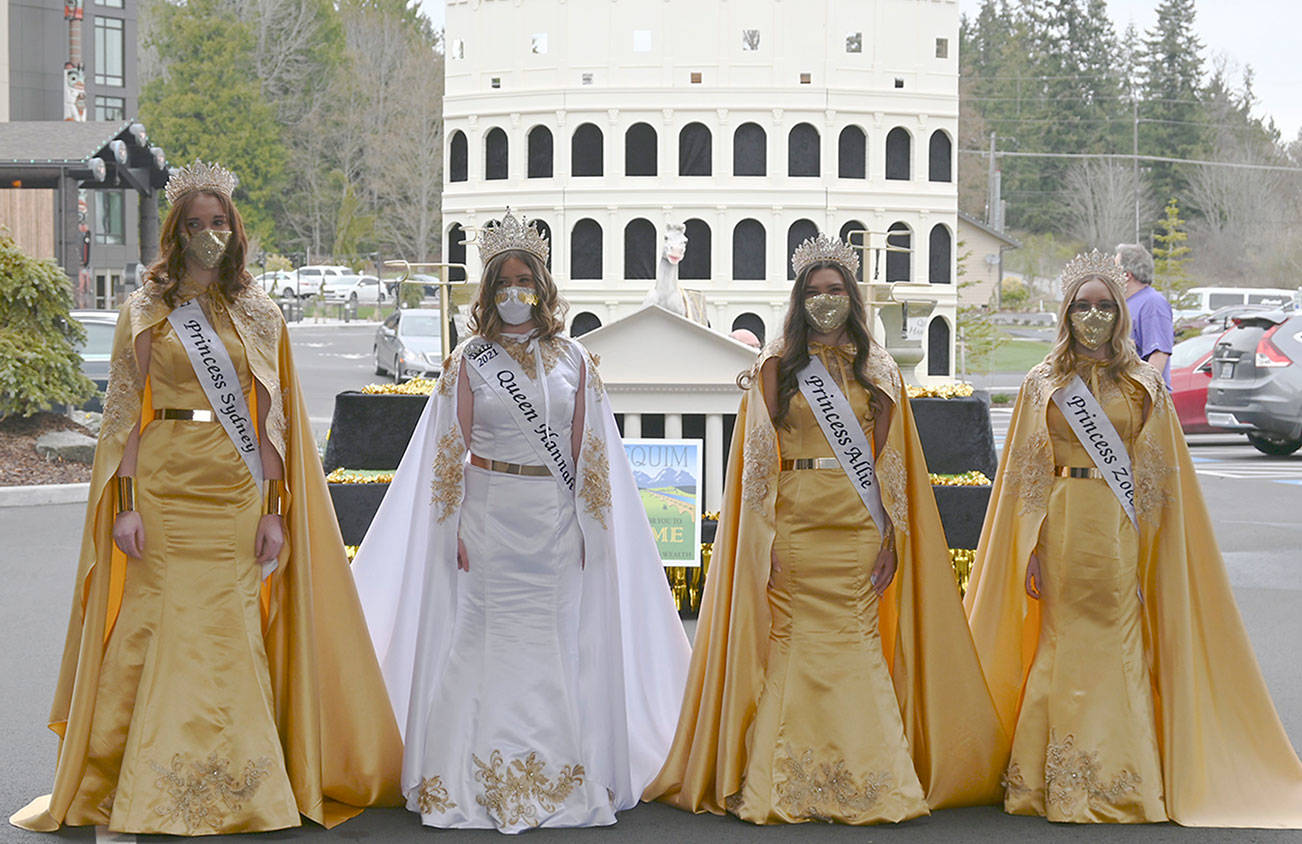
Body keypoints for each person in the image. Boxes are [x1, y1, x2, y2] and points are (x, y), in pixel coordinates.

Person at [10, 161, 403, 835]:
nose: (208, 233)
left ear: (235, 228)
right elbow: (123, 415)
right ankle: (138, 783)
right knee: (157, 627)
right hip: (163, 486)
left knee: (232, 633)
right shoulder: (145, 310)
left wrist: (276, 512)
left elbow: (273, 419)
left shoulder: (261, 312)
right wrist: (125, 503)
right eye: (195, 223)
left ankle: (241, 786)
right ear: (176, 232)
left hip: (235, 490)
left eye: (219, 221)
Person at [645, 234, 1008, 824]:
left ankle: (871, 778)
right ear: (798, 299)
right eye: (813, 291)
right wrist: (760, 539)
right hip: (794, 524)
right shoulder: (776, 366)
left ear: (853, 297)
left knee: (857, 643)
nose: (825, 300)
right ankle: (786, 780)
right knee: (793, 644)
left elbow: (891, 464)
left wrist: (890, 538)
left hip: (858, 526)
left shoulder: (878, 368)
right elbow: (757, 462)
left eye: (835, 289)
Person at [350, 210, 691, 833]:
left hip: (555, 523)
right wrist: (450, 527)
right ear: (488, 290)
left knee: (553, 644)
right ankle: (465, 776)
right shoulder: (468, 360)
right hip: (487, 518)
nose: (514, 291)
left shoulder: (575, 359)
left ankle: (559, 774)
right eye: (503, 281)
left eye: (523, 280)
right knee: (479, 640)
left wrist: (592, 529)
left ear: (541, 286)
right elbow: (449, 451)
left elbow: (590, 453)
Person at [965, 250, 1302, 826]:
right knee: (1060, 640)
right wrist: (1029, 547)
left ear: (1122, 314)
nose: (1093, 316)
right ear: (1066, 312)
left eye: (1105, 305)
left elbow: (1161, 477)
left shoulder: (1144, 383)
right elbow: (1025, 475)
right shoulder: (1042, 382)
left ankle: (1121, 778)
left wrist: (1158, 546)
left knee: (1117, 641)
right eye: (1082, 305)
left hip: (1119, 529)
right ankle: (1050, 777)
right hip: (1061, 525)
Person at [1117, 243, 1173, 388]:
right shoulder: (1124, 304)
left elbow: (1158, 354)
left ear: (1127, 275)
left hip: (1140, 397)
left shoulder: (1153, 303)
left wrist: (1144, 393)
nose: (1110, 276)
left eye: (1115, 269)